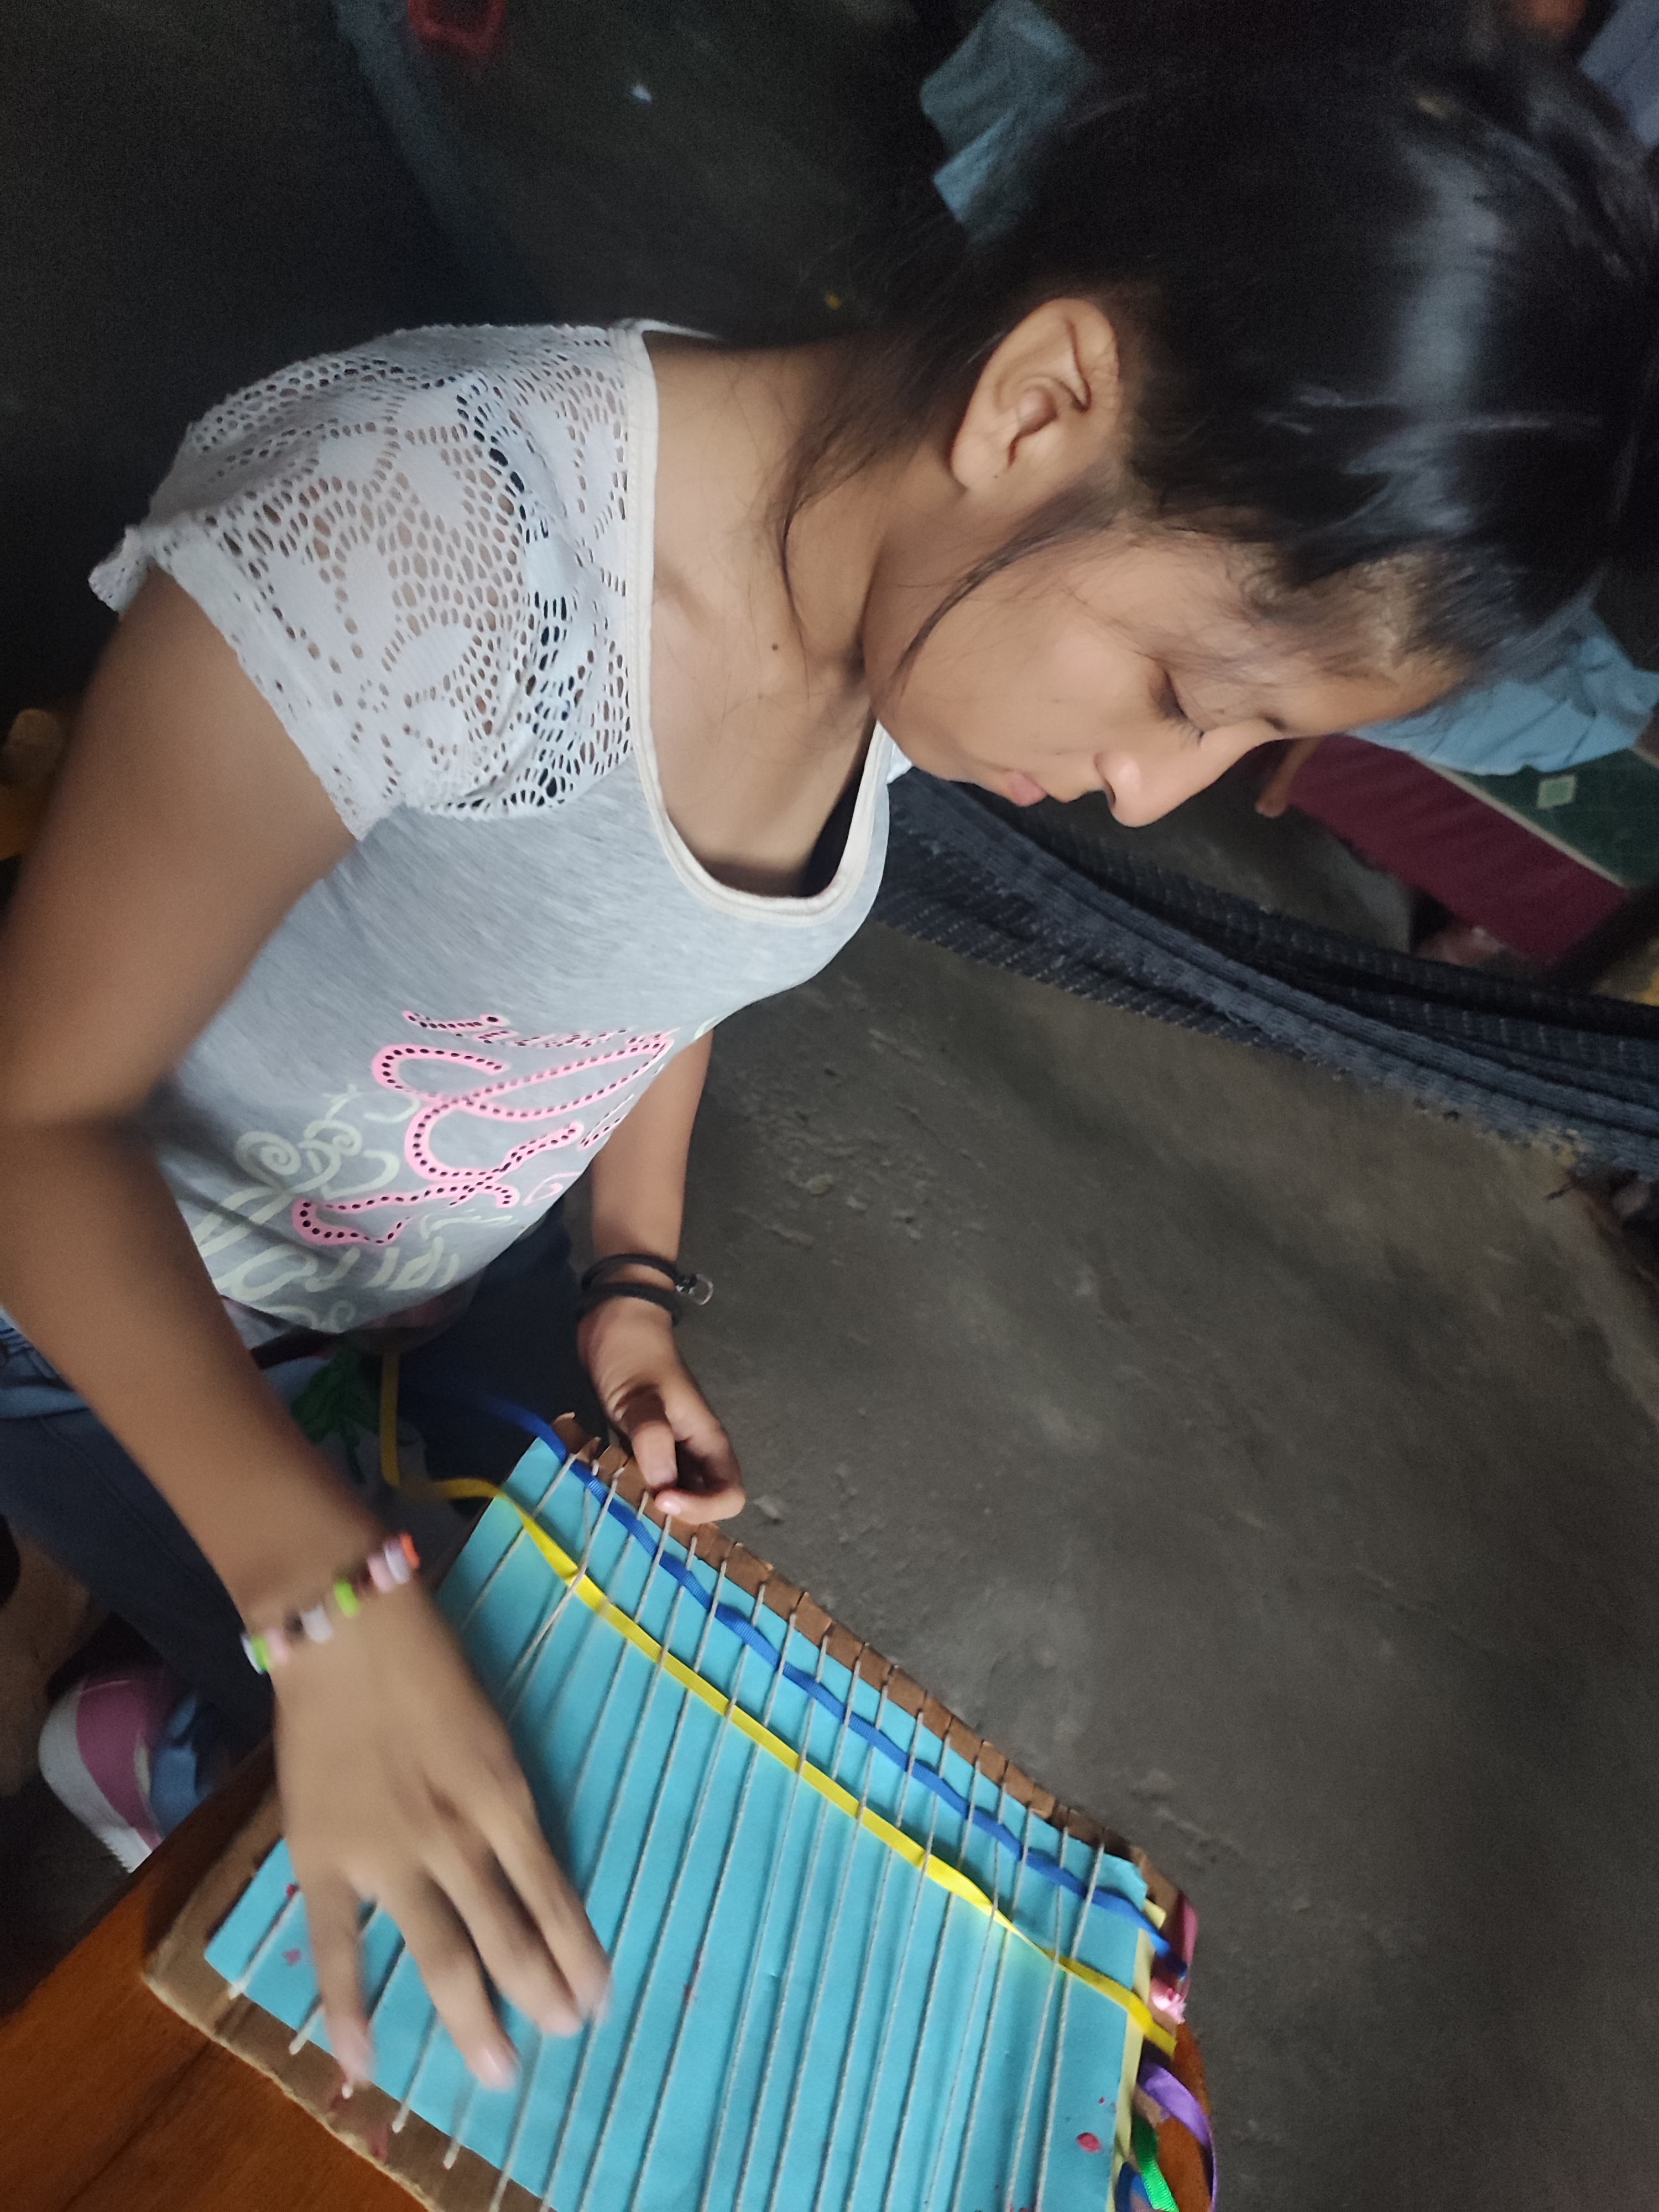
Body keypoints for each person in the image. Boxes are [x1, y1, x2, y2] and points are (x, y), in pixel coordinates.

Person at [2, 40, 1656, 2089]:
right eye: (1180, 685)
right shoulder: (428, 546)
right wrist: (317, 1598)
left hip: (412, 1260)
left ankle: (170, 1709)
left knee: (594, 1756)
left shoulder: (899, 634)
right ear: (1039, 402)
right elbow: (33, 1122)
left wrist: (628, 1273)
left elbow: (653, 955)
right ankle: (172, 1735)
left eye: (1247, 743)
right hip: (95, 1283)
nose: (1155, 793)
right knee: (445, 1792)